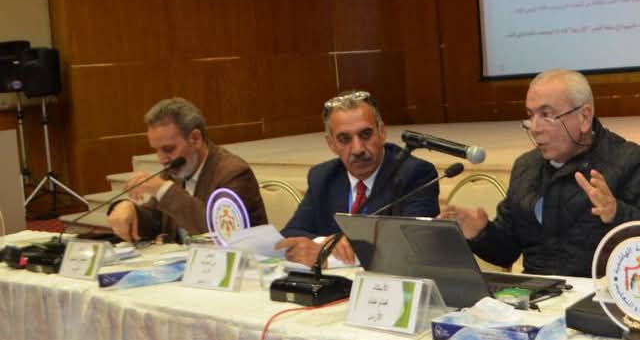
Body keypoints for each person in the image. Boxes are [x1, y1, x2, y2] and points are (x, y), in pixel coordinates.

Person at [440, 69, 640, 277]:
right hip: (538, 303)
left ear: (584, 117)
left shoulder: (630, 161)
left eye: (547, 115)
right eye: (530, 116)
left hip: (599, 302)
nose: (535, 128)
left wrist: (619, 214)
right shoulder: (526, 167)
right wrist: (480, 232)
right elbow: (506, 251)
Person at [276, 90, 439, 266]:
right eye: (344, 139)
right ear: (331, 144)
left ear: (382, 132)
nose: (358, 149)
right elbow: (290, 234)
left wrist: (335, 253)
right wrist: (325, 244)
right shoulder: (323, 177)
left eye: (365, 134)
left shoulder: (414, 174)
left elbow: (413, 244)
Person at [107, 97, 268, 242]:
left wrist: (163, 190)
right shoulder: (174, 170)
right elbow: (155, 221)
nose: (162, 159)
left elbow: (221, 232)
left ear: (195, 139)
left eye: (168, 149)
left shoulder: (233, 173)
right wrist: (129, 209)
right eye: (156, 150)